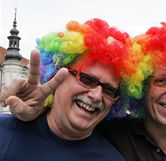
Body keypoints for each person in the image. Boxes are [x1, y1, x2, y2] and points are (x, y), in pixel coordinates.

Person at [1, 20, 166, 161]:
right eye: (86, 78)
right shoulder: (114, 133)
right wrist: (35, 108)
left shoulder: (111, 149)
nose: (95, 95)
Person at [0, 18, 138, 161]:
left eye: (109, 90)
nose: (96, 96)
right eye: (87, 79)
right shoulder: (3, 133)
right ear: (56, 73)